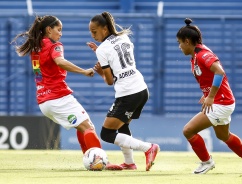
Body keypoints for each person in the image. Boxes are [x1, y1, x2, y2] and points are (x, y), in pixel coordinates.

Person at [12, 15, 122, 170]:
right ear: (49, 30)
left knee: (82, 126)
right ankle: (101, 161)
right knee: (88, 127)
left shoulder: (35, 47)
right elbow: (60, 62)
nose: (60, 33)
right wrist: (84, 71)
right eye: (59, 29)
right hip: (58, 96)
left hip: (44, 101)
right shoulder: (54, 46)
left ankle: (90, 159)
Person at [176, 18, 242, 174]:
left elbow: (219, 71)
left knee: (188, 130)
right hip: (222, 101)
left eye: (180, 43)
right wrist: (206, 94)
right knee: (223, 135)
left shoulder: (202, 54)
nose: (179, 47)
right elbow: (207, 76)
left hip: (220, 102)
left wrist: (211, 96)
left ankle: (206, 162)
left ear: (187, 41)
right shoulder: (195, 55)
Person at [87, 11, 160, 171]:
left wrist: (100, 69)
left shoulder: (102, 50)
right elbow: (118, 57)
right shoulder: (124, 37)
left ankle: (148, 147)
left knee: (106, 133)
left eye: (94, 31)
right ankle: (129, 162)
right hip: (141, 89)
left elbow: (109, 81)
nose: (92, 35)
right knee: (122, 126)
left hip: (128, 93)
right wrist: (100, 54)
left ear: (105, 29)